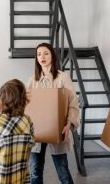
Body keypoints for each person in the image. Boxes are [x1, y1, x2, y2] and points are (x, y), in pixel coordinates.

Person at [26, 43, 80, 184]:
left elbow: (73, 104)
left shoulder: (63, 78)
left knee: (63, 172)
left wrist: (70, 124)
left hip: (58, 129)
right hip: (36, 132)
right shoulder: (32, 81)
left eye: (46, 53)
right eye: (39, 54)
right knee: (35, 171)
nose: (42, 57)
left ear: (52, 56)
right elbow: (26, 107)